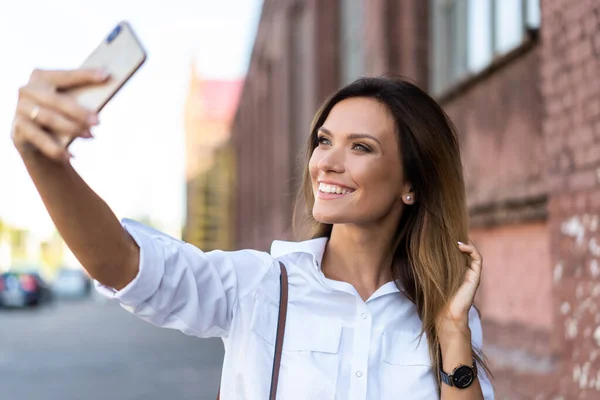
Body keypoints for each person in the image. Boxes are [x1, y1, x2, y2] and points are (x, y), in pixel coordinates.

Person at [11, 69, 494, 399]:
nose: (326, 161)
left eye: (360, 147)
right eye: (324, 140)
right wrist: (45, 162)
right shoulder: (259, 286)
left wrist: (452, 332)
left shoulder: (443, 311)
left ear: (411, 183)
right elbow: (125, 265)